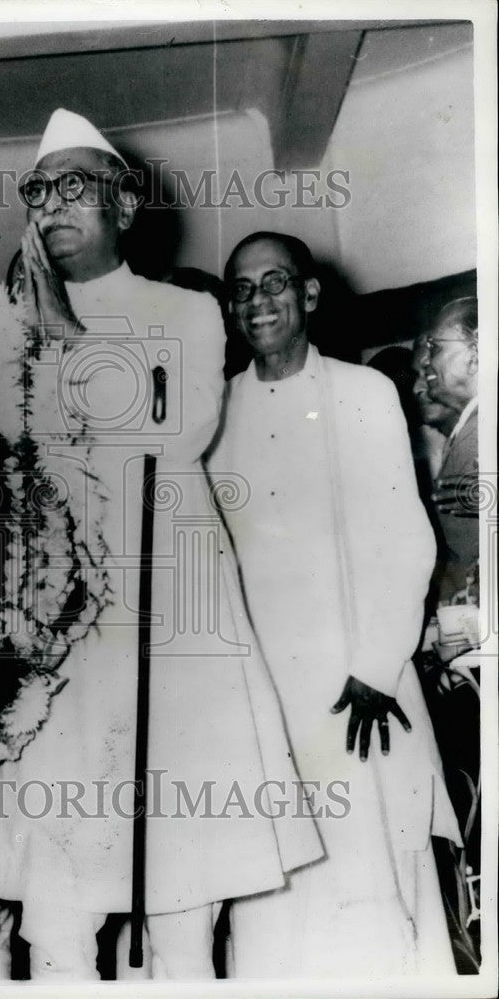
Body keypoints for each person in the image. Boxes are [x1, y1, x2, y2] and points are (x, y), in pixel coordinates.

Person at [0, 111, 323, 981]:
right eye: (38, 190)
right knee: (59, 916)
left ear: (126, 205)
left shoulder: (187, 312)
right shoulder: (0, 331)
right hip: (59, 648)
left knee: (182, 908)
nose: (50, 206)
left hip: (174, 634)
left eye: (75, 186)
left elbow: (172, 430)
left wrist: (60, 331)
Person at [209, 231, 462, 976]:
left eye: (275, 283)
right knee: (275, 906)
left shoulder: (365, 394)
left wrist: (375, 670)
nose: (259, 302)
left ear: (310, 295)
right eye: (243, 289)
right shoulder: (213, 415)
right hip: (263, 704)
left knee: (371, 887)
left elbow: (407, 543)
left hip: (360, 697)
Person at [414, 298, 479, 602]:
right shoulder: (471, 429)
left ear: (476, 354)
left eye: (435, 348)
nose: (426, 361)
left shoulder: (484, 431)